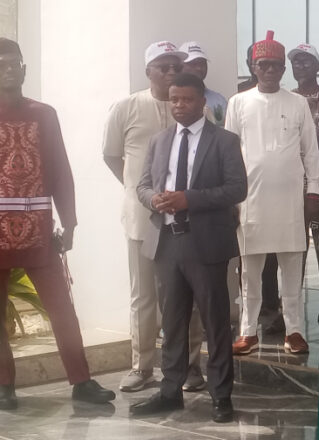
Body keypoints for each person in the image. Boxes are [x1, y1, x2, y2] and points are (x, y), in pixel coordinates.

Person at [0, 38, 116, 410]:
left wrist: (70, 222)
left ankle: (81, 381)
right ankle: (4, 386)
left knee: (62, 310)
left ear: (25, 68)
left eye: (15, 62)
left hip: (39, 233)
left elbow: (60, 170)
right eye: (2, 63)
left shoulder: (43, 113)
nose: (9, 69)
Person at [132, 73, 246, 423]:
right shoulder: (160, 140)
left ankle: (221, 395)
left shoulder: (224, 141)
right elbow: (143, 185)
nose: (179, 105)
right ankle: (169, 391)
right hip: (166, 243)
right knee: (173, 321)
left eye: (186, 99)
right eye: (174, 99)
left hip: (206, 245)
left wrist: (188, 199)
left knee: (215, 322)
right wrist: (155, 199)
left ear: (202, 102)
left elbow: (236, 189)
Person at [102, 41, 205, 392]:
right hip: (142, 221)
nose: (171, 72)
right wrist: (140, 192)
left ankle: (190, 366)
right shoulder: (127, 106)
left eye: (176, 65)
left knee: (184, 297)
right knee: (144, 296)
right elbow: (112, 156)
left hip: (185, 222)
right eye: (163, 66)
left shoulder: (190, 111)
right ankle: (141, 365)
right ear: (148, 71)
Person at [225, 31, 319, 356]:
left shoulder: (297, 104)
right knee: (250, 274)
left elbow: (311, 152)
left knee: (292, 270)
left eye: (275, 66)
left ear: (283, 70)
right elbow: (229, 154)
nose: (268, 70)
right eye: (262, 64)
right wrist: (231, 199)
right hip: (250, 201)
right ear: (253, 67)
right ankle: (247, 332)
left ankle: (293, 330)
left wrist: (312, 192)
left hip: (290, 203)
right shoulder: (237, 103)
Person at [289, 42, 319, 323]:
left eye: (306, 62)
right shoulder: (287, 100)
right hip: (291, 185)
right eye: (296, 62)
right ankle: (291, 312)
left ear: (318, 67)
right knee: (293, 250)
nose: (301, 66)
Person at [180, 41, 227, 125]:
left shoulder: (218, 101)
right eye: (193, 64)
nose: (198, 68)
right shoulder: (172, 100)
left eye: (202, 63)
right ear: (180, 66)